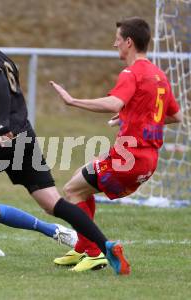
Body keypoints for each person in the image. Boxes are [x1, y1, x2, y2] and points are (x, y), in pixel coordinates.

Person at [0, 4, 130, 275]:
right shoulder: (5, 58)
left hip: (1, 139)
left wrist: (3, 125)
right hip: (24, 137)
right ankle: (107, 245)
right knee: (52, 203)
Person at [50, 17, 182, 272]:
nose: (115, 44)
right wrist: (131, 117)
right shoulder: (159, 75)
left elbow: (113, 103)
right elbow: (175, 116)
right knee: (81, 177)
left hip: (129, 158)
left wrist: (72, 100)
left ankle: (94, 252)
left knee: (72, 191)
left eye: (118, 39)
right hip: (148, 159)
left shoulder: (131, 73)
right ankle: (81, 248)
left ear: (129, 42)